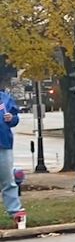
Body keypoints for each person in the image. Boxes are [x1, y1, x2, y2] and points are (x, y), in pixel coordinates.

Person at [0, 85, 24, 229]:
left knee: (8, 181)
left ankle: (16, 213)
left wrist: (12, 118)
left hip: (4, 144)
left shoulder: (5, 98)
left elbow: (15, 118)